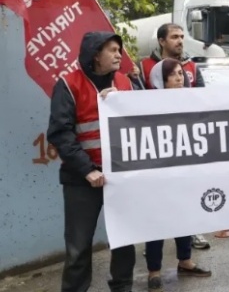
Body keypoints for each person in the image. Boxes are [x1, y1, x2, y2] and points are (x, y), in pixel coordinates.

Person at [47, 32, 137, 292]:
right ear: (95, 55)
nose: (119, 54)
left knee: (124, 241)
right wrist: (88, 170)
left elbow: (141, 123)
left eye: (119, 49)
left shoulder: (125, 84)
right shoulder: (68, 85)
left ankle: (122, 288)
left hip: (120, 177)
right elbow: (60, 133)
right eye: (112, 49)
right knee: (78, 247)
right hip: (82, 180)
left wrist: (123, 101)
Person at [138, 23, 214, 248]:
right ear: (162, 41)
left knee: (188, 191)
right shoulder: (143, 67)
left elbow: (201, 100)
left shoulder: (192, 66)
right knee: (159, 196)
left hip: (186, 139)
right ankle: (154, 240)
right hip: (157, 141)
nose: (180, 41)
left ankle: (191, 233)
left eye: (182, 36)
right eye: (174, 37)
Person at [143, 58, 212, 291]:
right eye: (173, 74)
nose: (179, 78)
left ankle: (185, 260)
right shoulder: (146, 105)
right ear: (160, 79)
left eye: (181, 73)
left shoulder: (191, 102)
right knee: (157, 220)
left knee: (184, 215)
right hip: (158, 172)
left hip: (184, 170)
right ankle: (154, 269)